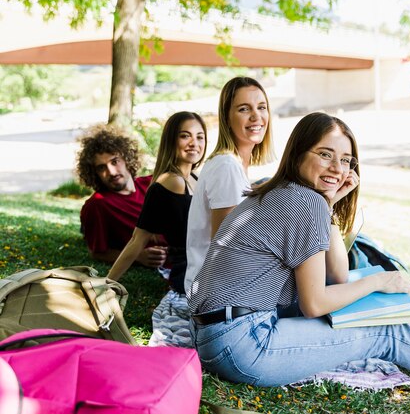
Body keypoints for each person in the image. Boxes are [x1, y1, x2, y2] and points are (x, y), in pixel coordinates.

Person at [189, 112, 410, 387]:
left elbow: (337, 275)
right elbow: (316, 303)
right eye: (325, 155)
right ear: (298, 154)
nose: (337, 169)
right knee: (384, 332)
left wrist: (330, 204)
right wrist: (379, 282)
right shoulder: (303, 202)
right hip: (245, 345)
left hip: (221, 335)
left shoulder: (280, 193)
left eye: (346, 161)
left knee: (356, 315)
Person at [184, 76, 274, 295]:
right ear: (226, 117)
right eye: (244, 109)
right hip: (217, 293)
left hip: (224, 284)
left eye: (261, 107)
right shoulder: (226, 167)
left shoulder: (235, 165)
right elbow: (225, 250)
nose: (256, 116)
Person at [107, 111, 206, 296]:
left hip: (206, 266)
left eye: (200, 137)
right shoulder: (170, 182)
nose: (194, 143)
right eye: (185, 136)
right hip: (189, 275)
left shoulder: (195, 179)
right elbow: (138, 239)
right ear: (171, 140)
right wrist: (107, 284)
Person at [77, 125, 167, 268]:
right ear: (94, 173)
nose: (111, 172)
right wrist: (137, 256)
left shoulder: (154, 183)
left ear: (127, 159)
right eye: (102, 167)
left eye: (115, 161)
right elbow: (97, 252)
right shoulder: (97, 205)